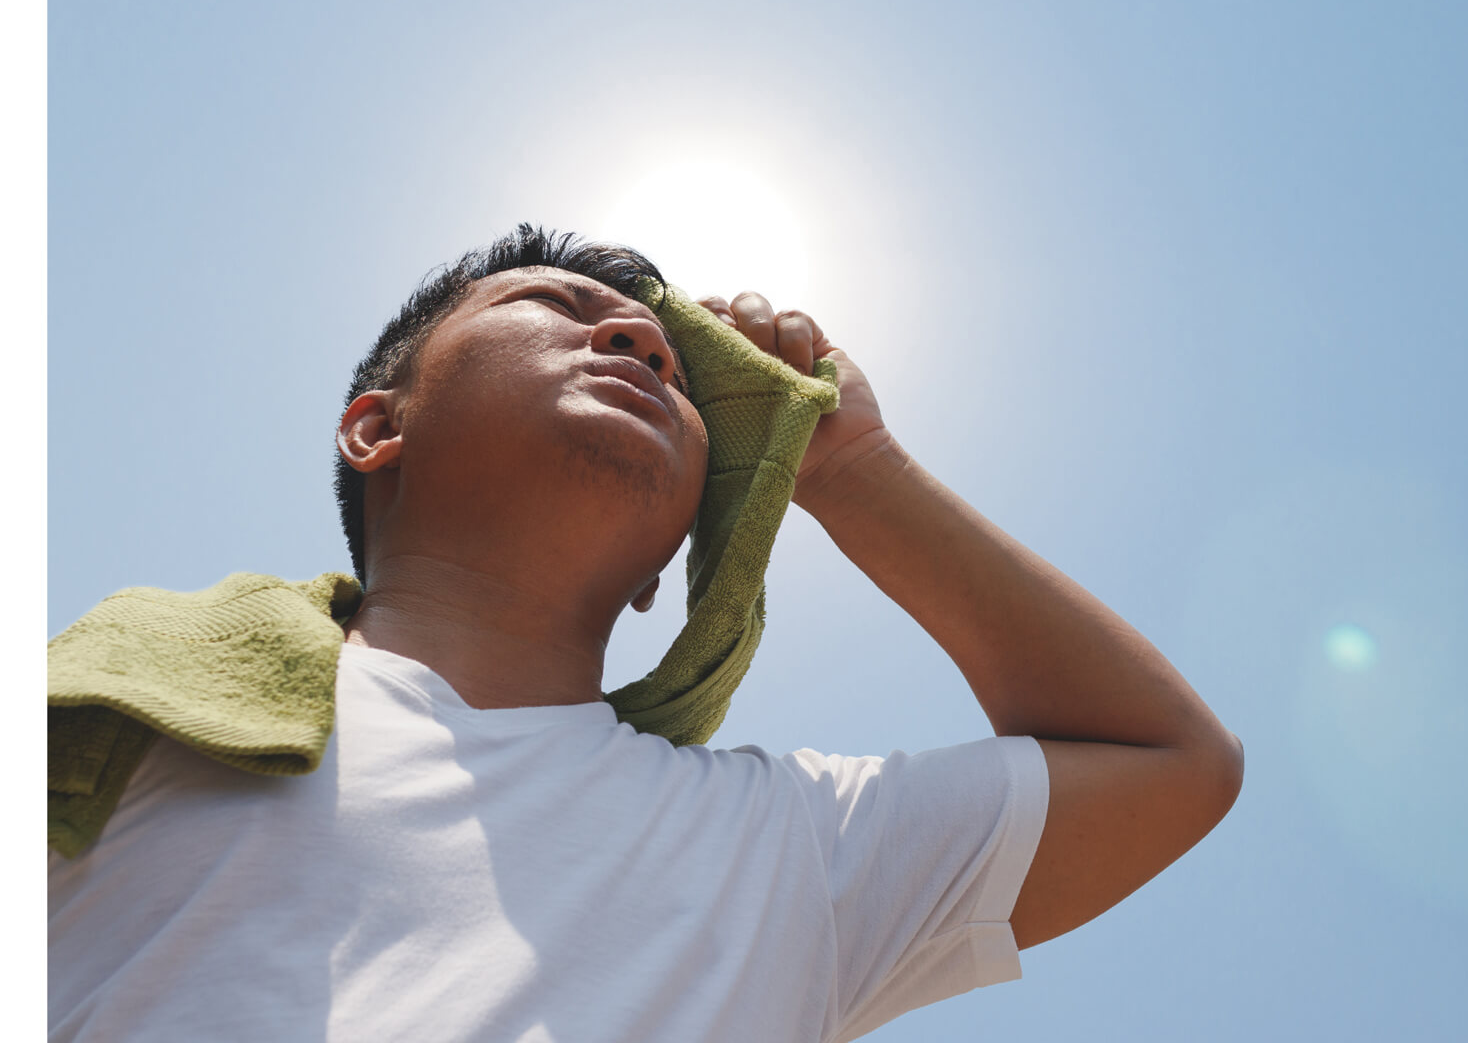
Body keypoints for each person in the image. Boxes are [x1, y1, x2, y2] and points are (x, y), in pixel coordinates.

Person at [47, 226, 1243, 1042]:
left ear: (663, 575)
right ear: (377, 427)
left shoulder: (788, 849)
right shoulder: (115, 714)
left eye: (673, 368)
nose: (637, 344)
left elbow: (1170, 765)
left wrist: (857, 469)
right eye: (557, 309)